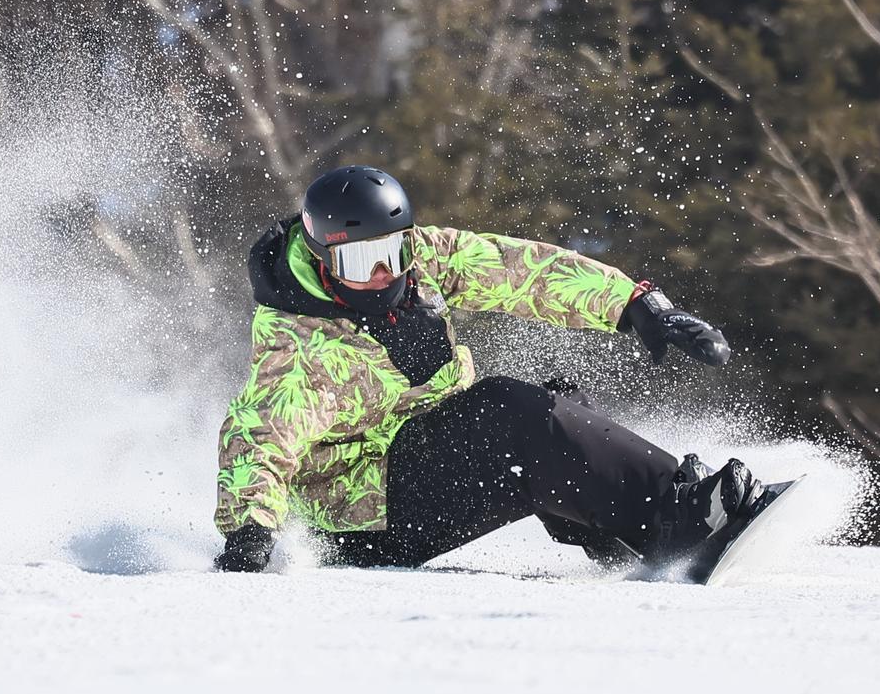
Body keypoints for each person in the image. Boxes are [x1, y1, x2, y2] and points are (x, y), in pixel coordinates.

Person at [213, 164, 767, 575]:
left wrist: (636, 305)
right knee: (510, 415)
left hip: (413, 452)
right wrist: (250, 531)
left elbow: (515, 269)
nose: (384, 274)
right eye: (360, 262)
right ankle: (681, 520)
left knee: (560, 403)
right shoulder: (299, 342)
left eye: (394, 252)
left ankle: (630, 534)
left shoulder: (420, 262)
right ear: (322, 258)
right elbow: (256, 434)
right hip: (362, 518)